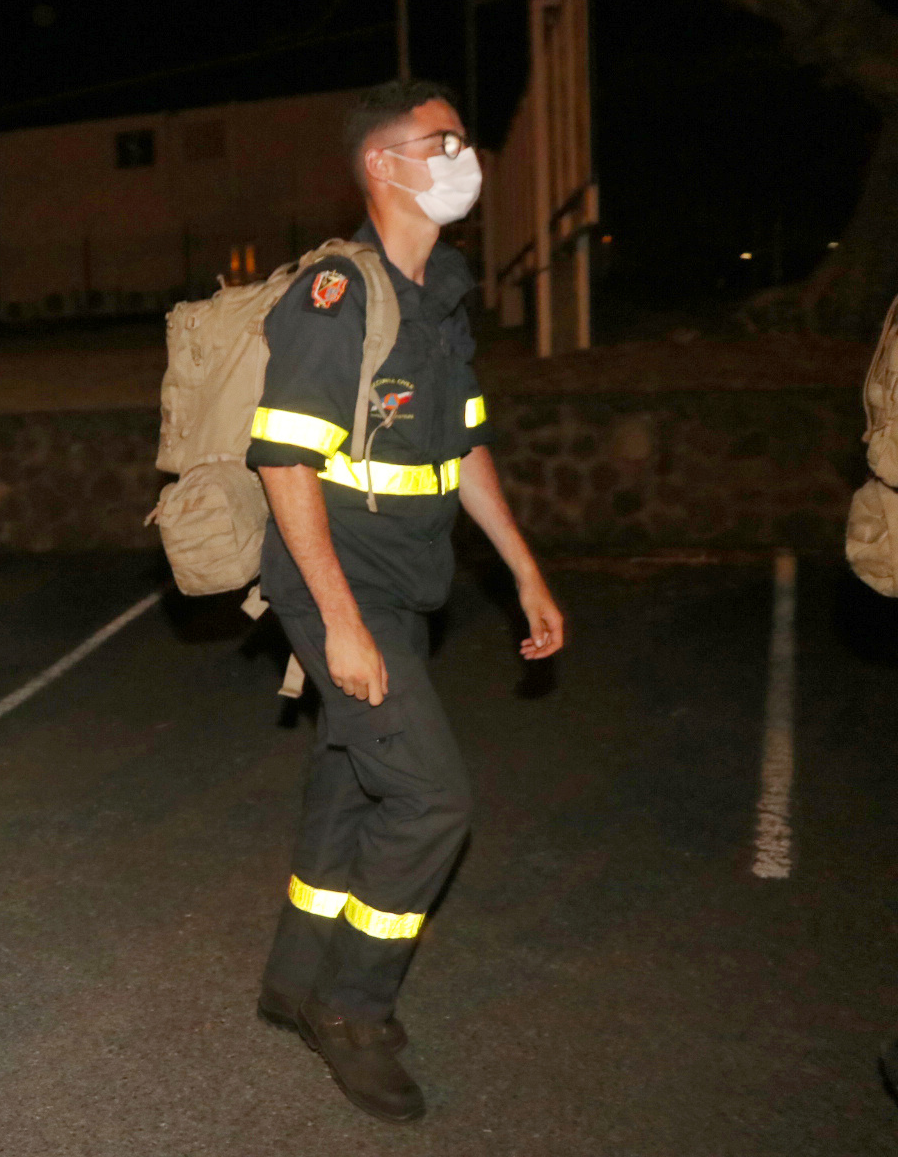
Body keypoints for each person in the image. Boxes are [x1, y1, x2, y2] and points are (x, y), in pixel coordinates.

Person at [245, 80, 565, 1122]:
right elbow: (284, 462)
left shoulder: (440, 295)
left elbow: (464, 448)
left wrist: (522, 568)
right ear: (383, 166)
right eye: (443, 142)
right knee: (432, 800)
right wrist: (339, 621)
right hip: (339, 580)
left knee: (352, 782)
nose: (465, 157)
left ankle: (295, 981)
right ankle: (351, 1007)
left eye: (465, 140)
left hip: (409, 581)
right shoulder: (337, 292)